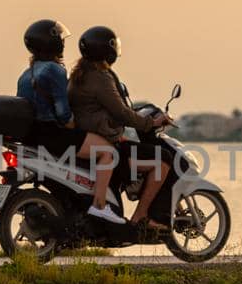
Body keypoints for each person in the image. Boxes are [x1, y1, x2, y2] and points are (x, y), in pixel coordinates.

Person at [69, 25, 170, 227]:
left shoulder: (79, 75)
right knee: (163, 161)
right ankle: (140, 216)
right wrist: (152, 122)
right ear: (109, 51)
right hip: (103, 140)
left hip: (93, 136)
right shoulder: (100, 78)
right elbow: (121, 112)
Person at [16, 19, 92, 161]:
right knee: (107, 151)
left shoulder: (25, 74)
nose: (63, 42)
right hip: (51, 135)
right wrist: (79, 128)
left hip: (31, 136)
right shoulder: (54, 69)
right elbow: (63, 114)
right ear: (53, 42)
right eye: (60, 39)